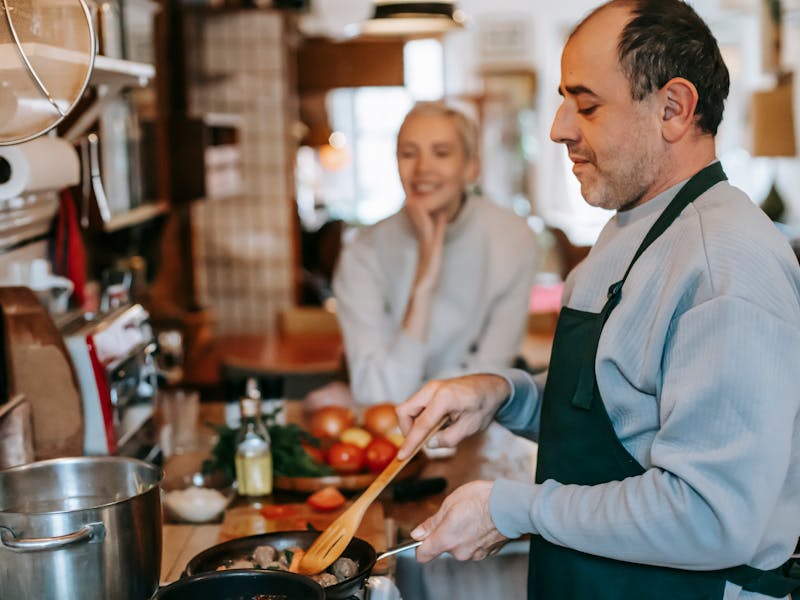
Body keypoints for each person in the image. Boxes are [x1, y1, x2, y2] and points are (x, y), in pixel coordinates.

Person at [395, 1, 800, 598]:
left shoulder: (725, 263)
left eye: (586, 105)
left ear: (673, 108)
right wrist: (504, 395)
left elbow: (710, 516)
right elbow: (620, 413)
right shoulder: (629, 227)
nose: (558, 127)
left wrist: (515, 509)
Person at [329, 101, 538, 406]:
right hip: (391, 424)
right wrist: (423, 283)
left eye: (441, 153)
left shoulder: (513, 239)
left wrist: (414, 392)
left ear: (472, 167)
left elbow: (487, 378)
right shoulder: (363, 252)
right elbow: (378, 395)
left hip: (475, 419)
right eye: (408, 153)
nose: (423, 168)